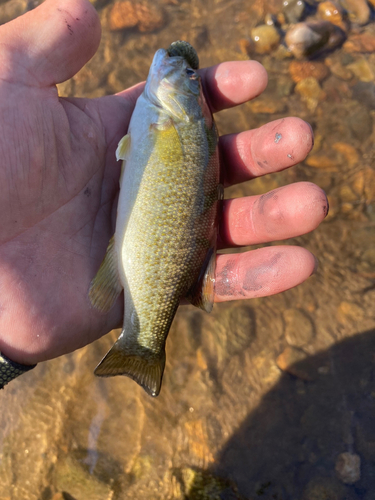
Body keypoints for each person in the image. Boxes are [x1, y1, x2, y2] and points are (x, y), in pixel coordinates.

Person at [0, 0, 327, 387]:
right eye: (190, 74)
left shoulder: (174, 124)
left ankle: (143, 344)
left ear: (191, 105)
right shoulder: (175, 123)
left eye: (189, 76)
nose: (182, 71)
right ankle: (143, 343)